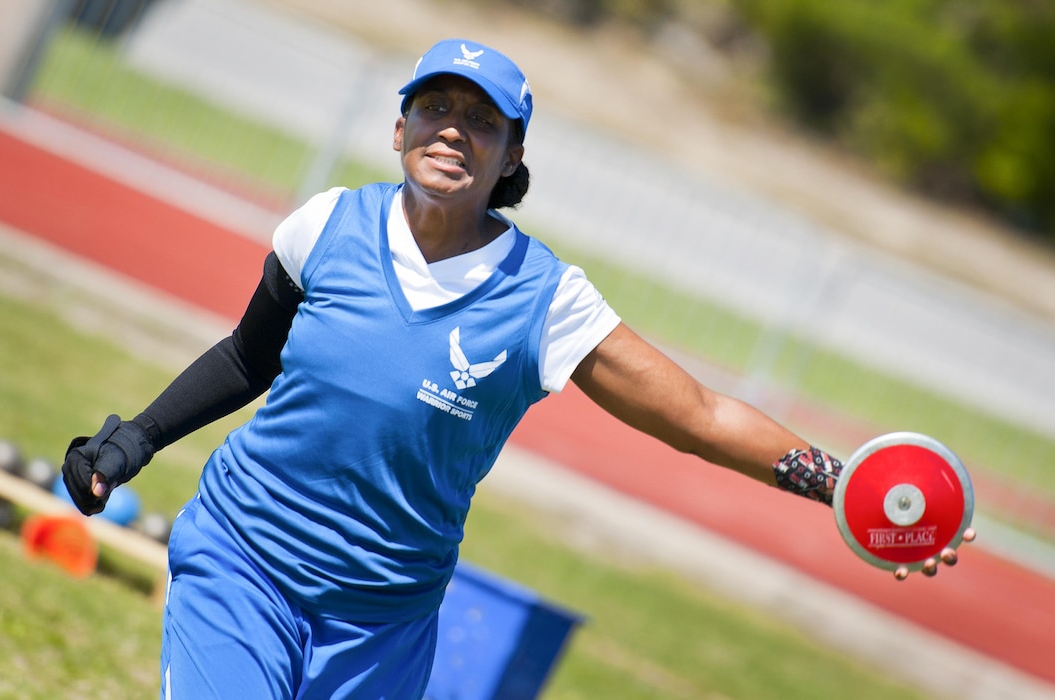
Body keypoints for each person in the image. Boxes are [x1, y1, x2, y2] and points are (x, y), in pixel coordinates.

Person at [61, 38, 972, 699]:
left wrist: (844, 483)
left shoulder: (547, 301)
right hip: (244, 557)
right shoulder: (327, 225)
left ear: (512, 156)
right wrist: (136, 438)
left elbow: (695, 414)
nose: (454, 132)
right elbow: (246, 357)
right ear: (399, 127)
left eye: (483, 121)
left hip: (382, 613)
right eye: (437, 108)